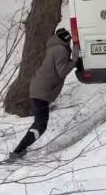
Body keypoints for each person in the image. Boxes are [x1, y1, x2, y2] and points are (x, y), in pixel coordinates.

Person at [8, 28, 79, 161]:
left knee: (39, 124)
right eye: (69, 40)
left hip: (38, 89)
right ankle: (17, 152)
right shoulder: (61, 50)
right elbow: (62, 71)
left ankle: (19, 151)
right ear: (66, 40)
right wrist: (74, 59)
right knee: (40, 125)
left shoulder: (53, 47)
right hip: (42, 91)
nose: (70, 43)